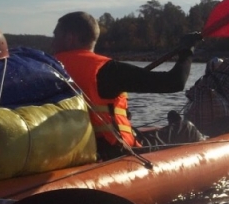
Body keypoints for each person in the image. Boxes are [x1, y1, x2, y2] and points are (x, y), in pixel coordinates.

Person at [52, 11, 204, 160]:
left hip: (70, 149)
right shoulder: (107, 69)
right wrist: (187, 51)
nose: (52, 42)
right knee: (186, 129)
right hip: (114, 151)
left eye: (55, 36)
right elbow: (174, 82)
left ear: (70, 38)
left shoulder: (46, 67)